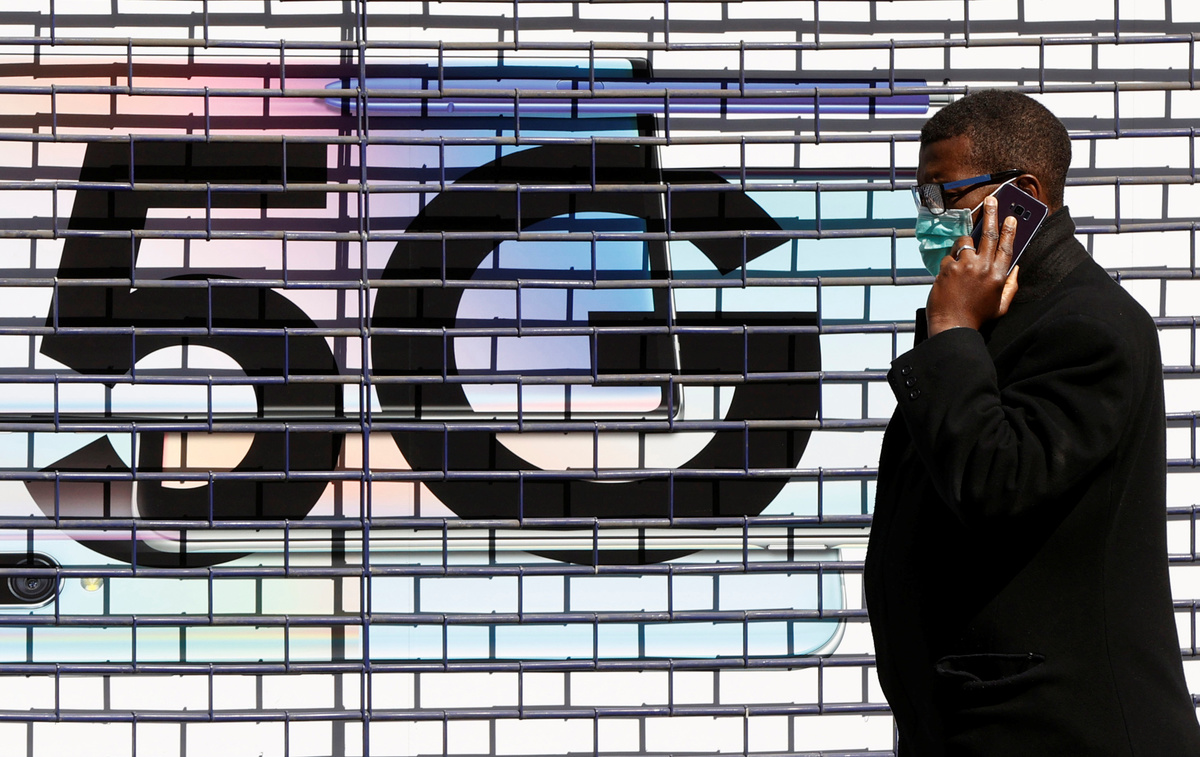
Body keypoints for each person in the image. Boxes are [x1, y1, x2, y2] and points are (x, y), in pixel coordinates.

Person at [864, 90, 1200, 755]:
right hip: (975, 725)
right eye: (920, 199)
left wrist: (951, 329)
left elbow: (995, 481)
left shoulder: (1090, 328)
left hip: (1058, 729)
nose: (929, 220)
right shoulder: (994, 323)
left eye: (944, 196)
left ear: (1023, 196)